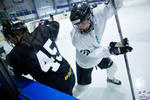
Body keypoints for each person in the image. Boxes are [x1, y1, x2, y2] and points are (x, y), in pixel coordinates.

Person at [69, 1, 133, 97]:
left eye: (82, 22)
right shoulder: (77, 38)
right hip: (85, 63)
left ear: (89, 16)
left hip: (99, 54)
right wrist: (113, 49)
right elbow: (94, 53)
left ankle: (110, 79)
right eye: (77, 24)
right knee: (82, 88)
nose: (80, 27)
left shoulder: (98, 14)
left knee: (113, 68)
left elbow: (116, 5)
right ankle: (68, 97)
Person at [1, 19, 75, 96]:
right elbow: (55, 24)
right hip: (69, 73)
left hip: (57, 88)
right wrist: (46, 23)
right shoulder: (42, 30)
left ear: (10, 36)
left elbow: (11, 74)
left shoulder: (16, 54)